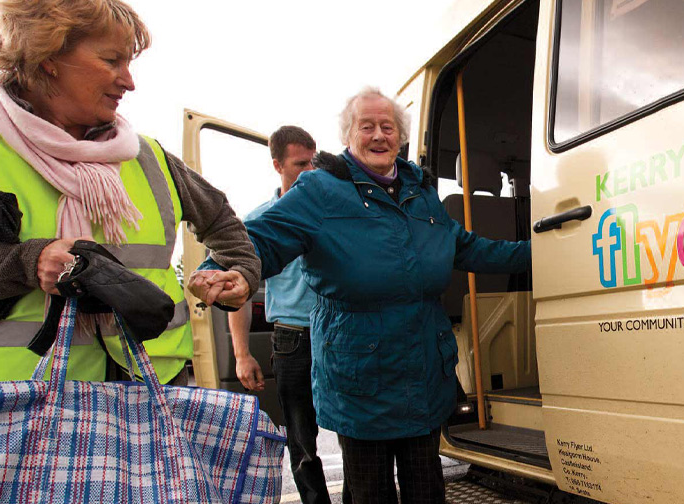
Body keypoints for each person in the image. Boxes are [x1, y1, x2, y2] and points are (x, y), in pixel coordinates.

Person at [197, 87, 531, 503]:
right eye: (366, 126)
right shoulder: (319, 190)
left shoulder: (421, 192)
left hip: (423, 372)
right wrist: (225, 269)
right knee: (370, 494)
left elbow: (464, 246)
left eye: (387, 127)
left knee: (427, 489)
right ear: (348, 136)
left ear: (400, 136)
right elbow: (262, 237)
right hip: (361, 379)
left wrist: (538, 251)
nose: (378, 136)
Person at [0, 0, 258, 385]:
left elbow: (223, 223)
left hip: (151, 392)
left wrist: (235, 273)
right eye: (112, 61)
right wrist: (27, 262)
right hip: (17, 407)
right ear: (49, 57)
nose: (129, 81)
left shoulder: (148, 156)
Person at [231, 126, 337, 504]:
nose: (310, 171)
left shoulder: (334, 214)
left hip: (340, 333)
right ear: (277, 164)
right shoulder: (261, 221)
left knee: (355, 429)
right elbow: (238, 292)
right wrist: (242, 354)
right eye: (299, 163)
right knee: (301, 438)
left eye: (314, 162)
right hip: (293, 337)